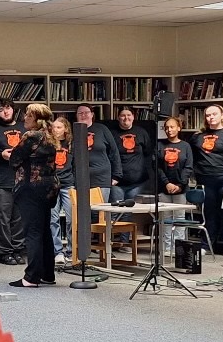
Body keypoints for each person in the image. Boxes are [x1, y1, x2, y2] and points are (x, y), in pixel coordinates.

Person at [9, 103, 60, 287]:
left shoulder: (31, 136)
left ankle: (31, 277)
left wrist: (10, 156)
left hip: (30, 188)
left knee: (33, 232)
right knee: (44, 230)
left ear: (37, 119)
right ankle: (47, 274)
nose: (24, 119)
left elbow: (15, 160)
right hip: (49, 188)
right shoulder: (50, 136)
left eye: (28, 116)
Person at [190, 104, 223, 258]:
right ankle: (206, 245)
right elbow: (190, 157)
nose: (211, 117)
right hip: (206, 182)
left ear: (222, 115)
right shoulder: (197, 137)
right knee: (209, 214)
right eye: (208, 115)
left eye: (214, 114)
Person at [0, 98, 25, 265]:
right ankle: (5, 252)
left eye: (8, 108)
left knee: (20, 217)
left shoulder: (24, 127)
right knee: (2, 217)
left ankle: (18, 249)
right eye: (1, 110)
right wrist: (0, 155)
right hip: (1, 179)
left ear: (13, 109)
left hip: (23, 180)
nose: (5, 112)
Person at [109, 106, 153, 243]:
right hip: (117, 182)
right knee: (115, 212)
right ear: (118, 118)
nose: (126, 118)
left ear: (133, 117)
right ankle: (109, 242)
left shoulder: (142, 132)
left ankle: (124, 242)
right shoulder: (112, 134)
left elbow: (148, 153)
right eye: (122, 115)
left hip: (137, 182)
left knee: (128, 212)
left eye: (129, 115)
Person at [76, 104, 121, 201]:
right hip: (80, 179)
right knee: (83, 212)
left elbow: (114, 152)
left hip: (101, 178)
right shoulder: (73, 131)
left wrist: (117, 175)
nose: (83, 115)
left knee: (100, 212)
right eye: (80, 113)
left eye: (86, 112)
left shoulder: (102, 129)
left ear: (92, 114)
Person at [50, 116, 74, 265]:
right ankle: (57, 251)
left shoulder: (71, 144)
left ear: (65, 129)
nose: (55, 130)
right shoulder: (49, 143)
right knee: (53, 219)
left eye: (59, 127)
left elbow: (77, 164)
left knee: (72, 219)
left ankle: (72, 250)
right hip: (52, 184)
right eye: (53, 127)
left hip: (68, 184)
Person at [158, 117, 193, 203]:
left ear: (178, 128)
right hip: (164, 189)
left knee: (179, 216)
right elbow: (156, 166)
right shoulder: (159, 145)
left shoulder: (186, 146)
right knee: (165, 216)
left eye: (172, 127)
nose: (169, 130)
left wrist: (180, 185)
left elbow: (188, 167)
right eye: (166, 128)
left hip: (181, 190)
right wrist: (167, 183)